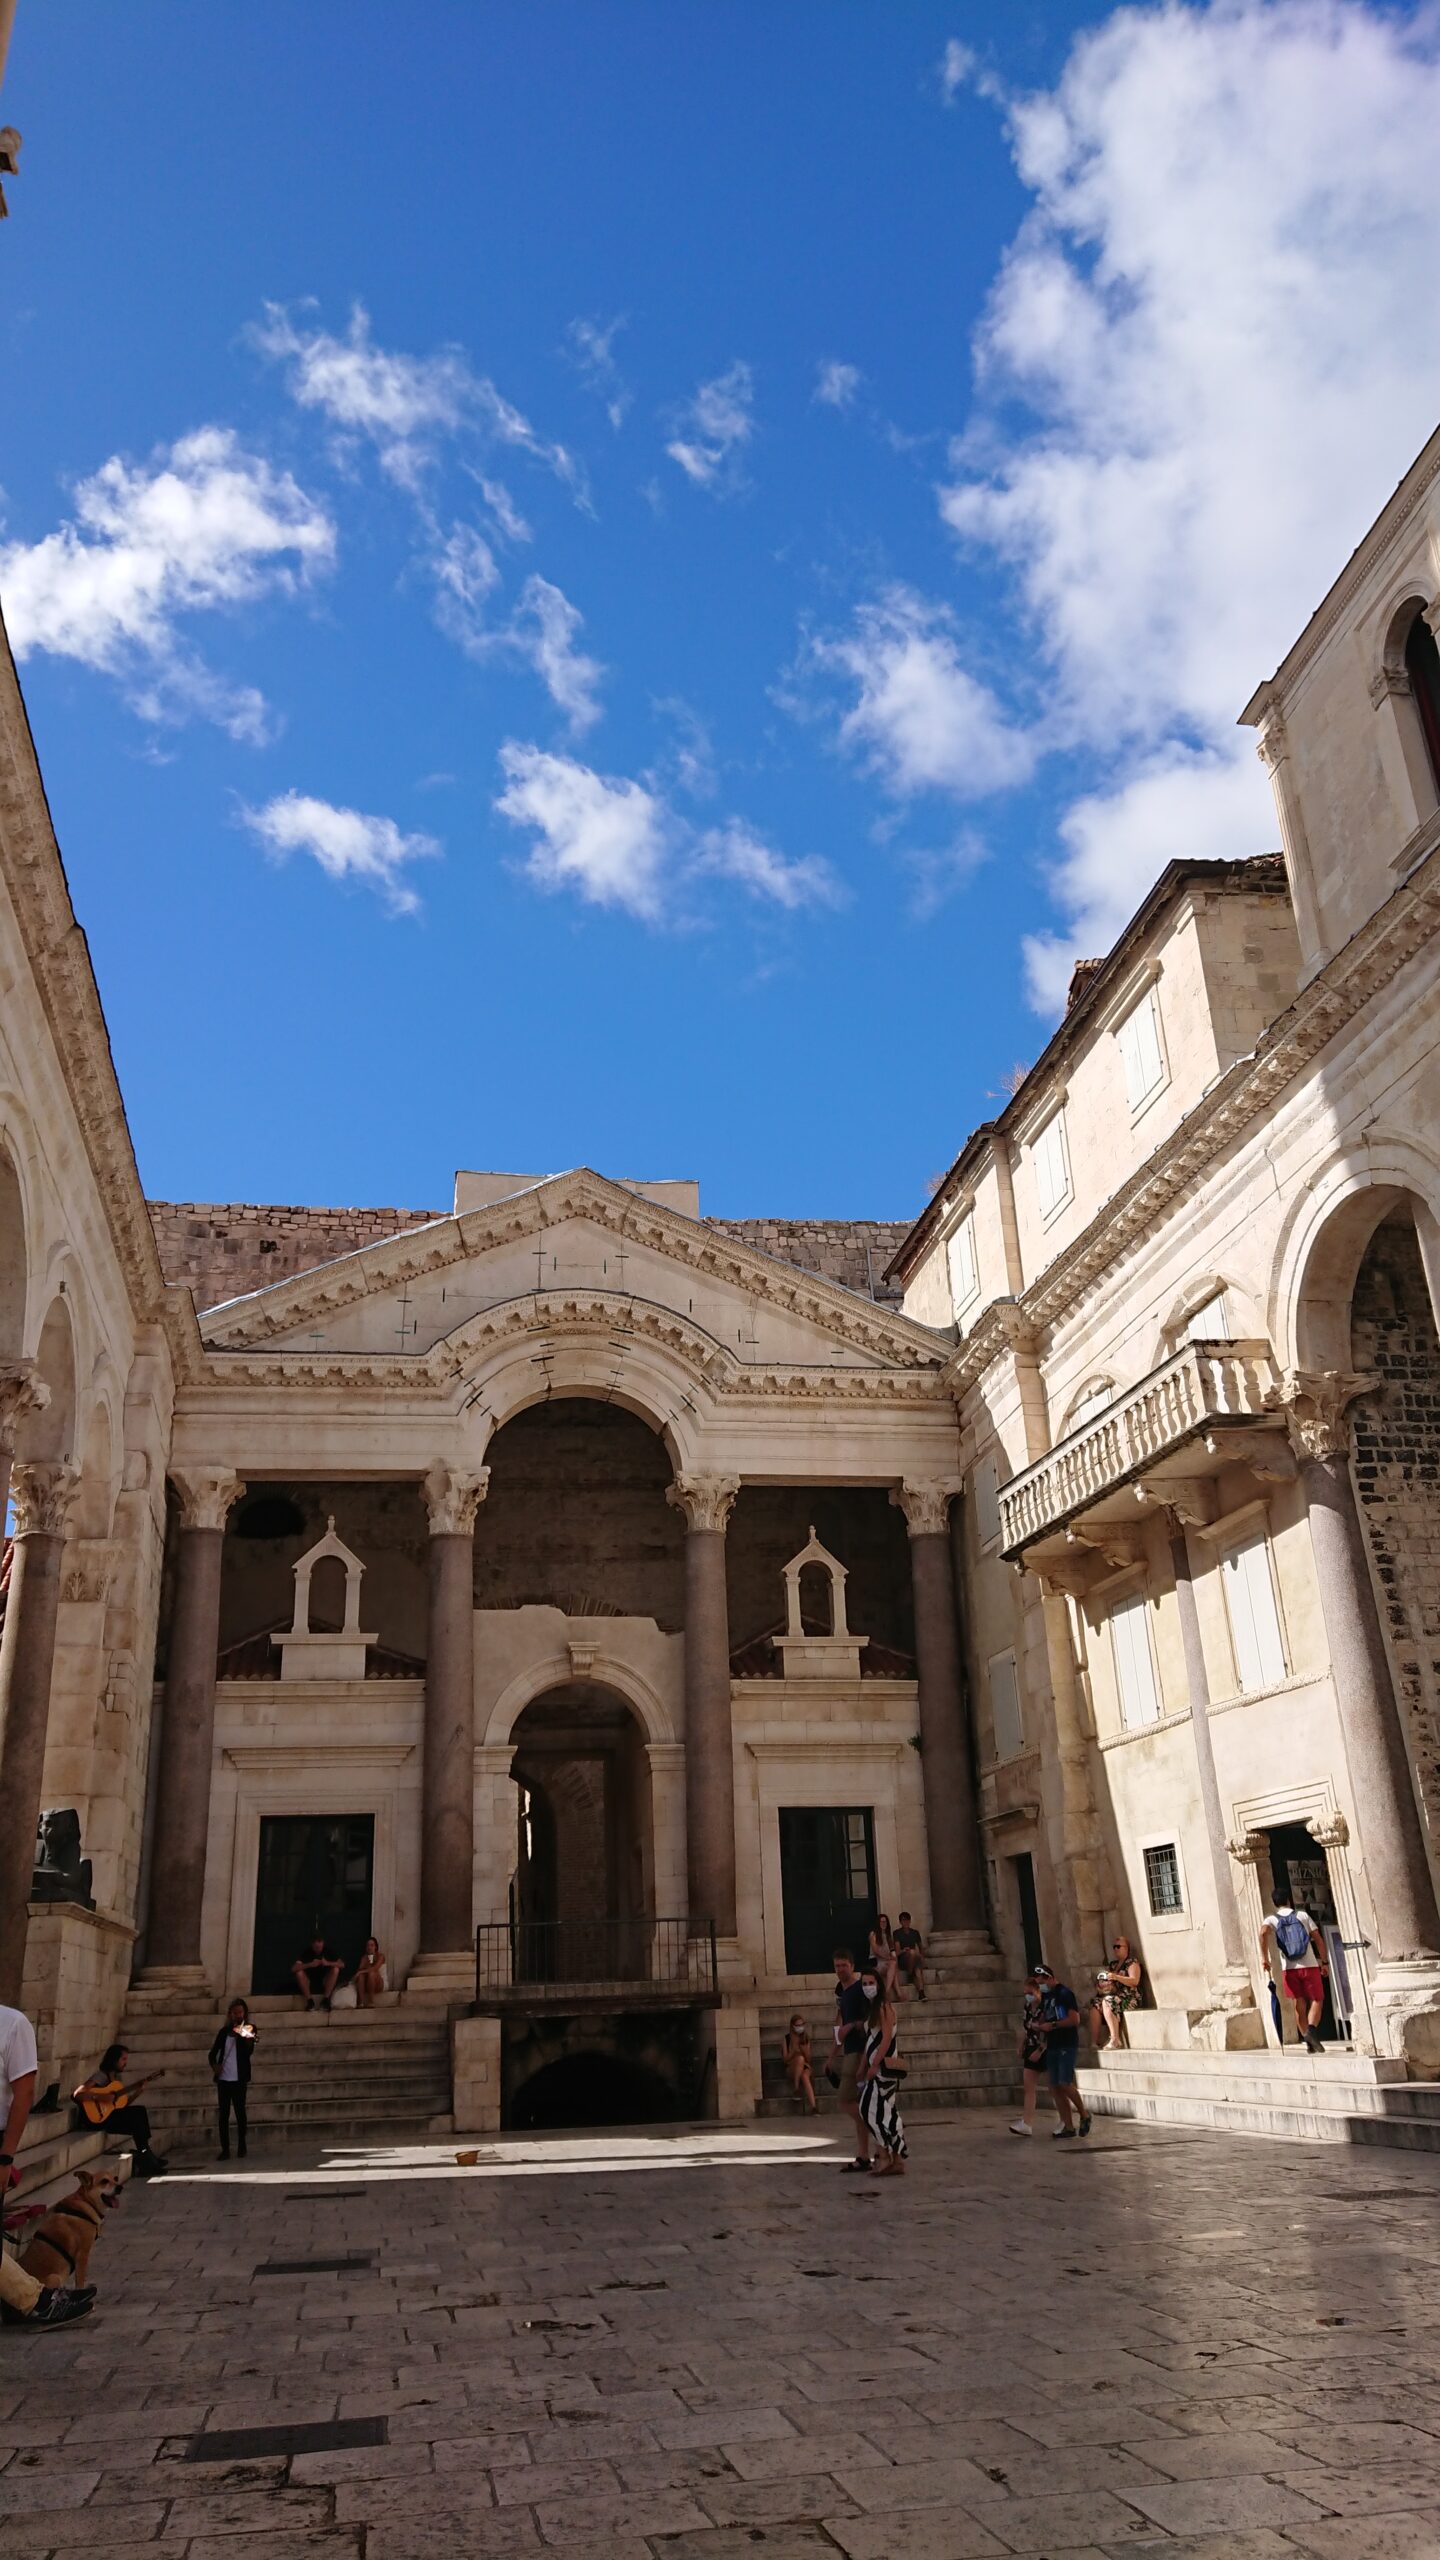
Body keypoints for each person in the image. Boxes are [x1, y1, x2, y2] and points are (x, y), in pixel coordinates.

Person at [0, 2001, 93, 2327]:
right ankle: (33, 2300)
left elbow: (24, 2094)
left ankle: (28, 2301)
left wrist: (5, 2156)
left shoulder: (10, 2024)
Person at [74, 2044, 167, 2176]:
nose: (125, 2063)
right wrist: (101, 2096)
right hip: (96, 2118)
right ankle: (146, 2155)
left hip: (109, 2115)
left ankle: (147, 2153)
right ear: (114, 2059)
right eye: (123, 2059)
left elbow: (121, 2105)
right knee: (137, 2115)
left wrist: (137, 2092)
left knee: (138, 2113)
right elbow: (77, 2094)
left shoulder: (116, 2079)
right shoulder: (101, 2076)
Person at [857, 1965, 907, 2176]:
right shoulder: (873, 2009)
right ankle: (896, 2158)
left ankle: (884, 2156)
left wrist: (874, 2064)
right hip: (878, 2066)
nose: (868, 1987)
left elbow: (886, 2038)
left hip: (883, 2069)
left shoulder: (884, 2007)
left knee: (869, 2110)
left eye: (871, 1983)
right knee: (888, 2113)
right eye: (865, 1984)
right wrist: (863, 2065)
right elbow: (871, 2040)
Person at [1260, 1900, 1328, 2054]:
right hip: (1309, 1965)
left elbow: (1263, 1932)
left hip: (1289, 1969)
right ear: (1289, 1901)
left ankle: (1307, 2040)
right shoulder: (1302, 1915)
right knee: (1317, 1999)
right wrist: (1324, 1962)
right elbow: (1317, 1938)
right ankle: (1311, 2031)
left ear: (1275, 1902)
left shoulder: (1272, 1919)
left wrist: (1265, 1958)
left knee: (1299, 2002)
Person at [831, 1950, 872, 2172]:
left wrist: (852, 2025)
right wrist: (831, 2057)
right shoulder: (843, 1994)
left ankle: (874, 2123)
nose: (840, 1970)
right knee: (855, 2104)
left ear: (852, 1965)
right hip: (849, 2051)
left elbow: (869, 2020)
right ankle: (863, 2154)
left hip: (859, 2052)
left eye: (844, 1965)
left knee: (845, 2101)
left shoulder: (859, 1990)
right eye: (837, 1966)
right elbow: (840, 2029)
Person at [1038, 1975, 1091, 2139]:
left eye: (1042, 1982)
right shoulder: (1047, 1997)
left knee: (1064, 2082)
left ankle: (1084, 2113)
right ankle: (1068, 2125)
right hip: (1052, 2044)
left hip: (1066, 2043)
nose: (1041, 1986)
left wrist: (1053, 2025)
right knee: (1054, 2086)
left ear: (1050, 1978)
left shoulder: (1064, 1994)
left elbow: (1074, 2019)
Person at [209, 2000, 256, 2160]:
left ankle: (242, 2144)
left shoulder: (249, 2029)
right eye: (235, 2013)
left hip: (239, 2079)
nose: (238, 2015)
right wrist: (215, 2066)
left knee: (240, 2112)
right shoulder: (223, 2032)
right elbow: (212, 2053)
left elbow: (251, 2045)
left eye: (240, 2012)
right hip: (224, 2079)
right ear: (230, 2013)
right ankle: (225, 2149)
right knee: (224, 2114)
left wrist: (239, 2029)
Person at [1009, 1963, 1052, 2137]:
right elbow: (1025, 2028)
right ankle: (1027, 2123)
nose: (1027, 1996)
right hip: (1031, 2046)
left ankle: (1069, 2118)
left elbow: (1048, 2032)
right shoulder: (1028, 2008)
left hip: (1045, 2048)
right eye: (1025, 1993)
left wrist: (1040, 2050)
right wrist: (1021, 2045)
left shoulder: (1046, 2007)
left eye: (1030, 1993)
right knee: (1029, 2087)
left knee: (1057, 2086)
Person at [1089, 1935, 1143, 2050]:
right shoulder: (1113, 1965)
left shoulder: (1132, 1962)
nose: (1116, 1949)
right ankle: (1094, 2042)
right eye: (1114, 1947)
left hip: (1129, 1997)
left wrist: (1116, 1977)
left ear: (1126, 1948)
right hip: (1114, 1995)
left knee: (1107, 2001)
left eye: (1118, 1946)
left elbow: (1135, 1981)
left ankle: (1115, 2039)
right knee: (1095, 2004)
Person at [291, 1934, 343, 2010]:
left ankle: (325, 2000)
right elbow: (294, 1968)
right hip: (309, 1983)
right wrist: (310, 1964)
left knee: (336, 1969)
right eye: (315, 1942)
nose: (317, 1944)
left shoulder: (328, 1951)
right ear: (312, 1944)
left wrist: (328, 1963)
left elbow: (342, 1964)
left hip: (324, 1982)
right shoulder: (307, 1952)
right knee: (299, 1972)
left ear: (323, 1943)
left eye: (319, 1942)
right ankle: (310, 2001)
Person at [781, 2014, 817, 2113]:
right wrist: (793, 2051)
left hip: (805, 2066)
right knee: (800, 2059)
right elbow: (785, 2060)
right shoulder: (787, 2039)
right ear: (792, 2026)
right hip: (792, 2066)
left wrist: (804, 2050)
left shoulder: (805, 2038)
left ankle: (813, 2107)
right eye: (798, 2025)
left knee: (805, 2076)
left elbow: (809, 2059)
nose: (800, 2027)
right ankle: (796, 2088)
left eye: (802, 2024)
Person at [894, 1912, 927, 2002]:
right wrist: (904, 1950)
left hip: (914, 1958)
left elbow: (921, 1947)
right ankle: (909, 1972)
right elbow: (897, 1951)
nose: (906, 1922)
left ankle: (921, 1993)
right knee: (912, 1953)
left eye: (907, 1920)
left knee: (918, 1970)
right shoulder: (897, 1933)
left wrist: (922, 1957)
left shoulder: (915, 1933)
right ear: (900, 1922)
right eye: (903, 1920)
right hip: (903, 1959)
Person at [867, 1916, 898, 2001]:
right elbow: (875, 1950)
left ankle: (887, 1991)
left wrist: (893, 1957)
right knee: (893, 1967)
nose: (883, 1924)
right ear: (878, 1923)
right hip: (876, 1961)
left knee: (893, 1964)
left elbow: (892, 1951)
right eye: (881, 1922)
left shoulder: (888, 1936)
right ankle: (898, 1992)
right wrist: (887, 1957)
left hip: (886, 1962)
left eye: (885, 1922)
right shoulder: (873, 1934)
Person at [353, 1938, 387, 2008]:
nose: (369, 1947)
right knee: (361, 1976)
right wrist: (365, 1963)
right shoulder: (364, 1958)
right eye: (368, 1945)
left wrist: (361, 1971)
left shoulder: (380, 1956)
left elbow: (375, 1968)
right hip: (367, 1983)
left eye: (372, 1945)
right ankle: (361, 2002)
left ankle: (371, 2001)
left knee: (371, 1974)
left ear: (375, 1947)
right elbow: (360, 1970)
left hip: (379, 1983)